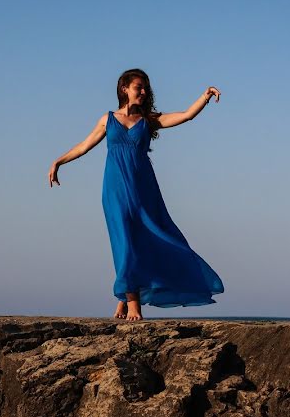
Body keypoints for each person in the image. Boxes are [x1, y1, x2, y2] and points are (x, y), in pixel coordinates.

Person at [48, 68, 224, 321]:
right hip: (116, 189)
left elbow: (185, 116)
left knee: (149, 240)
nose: (143, 92)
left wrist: (204, 96)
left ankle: (124, 297)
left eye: (145, 88)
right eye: (138, 87)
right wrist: (59, 161)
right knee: (125, 243)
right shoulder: (107, 120)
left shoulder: (148, 120)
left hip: (144, 190)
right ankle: (133, 303)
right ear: (124, 89)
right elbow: (84, 146)